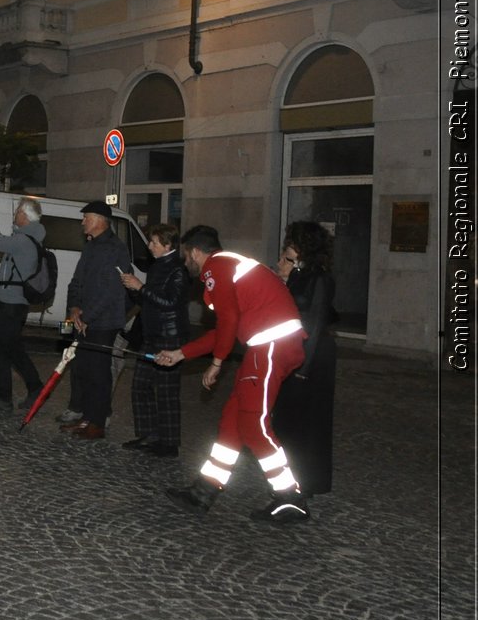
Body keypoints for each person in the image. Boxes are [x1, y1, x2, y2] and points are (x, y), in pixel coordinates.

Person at [156, 225, 310, 523]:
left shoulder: (216, 267)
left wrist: (216, 363)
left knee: (254, 426)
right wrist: (180, 354)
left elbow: (227, 320)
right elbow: (225, 329)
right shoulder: (228, 266)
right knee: (232, 422)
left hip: (270, 346)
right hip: (267, 347)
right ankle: (204, 490)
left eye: (186, 254)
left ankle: (290, 497)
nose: (184, 260)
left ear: (196, 252)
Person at [272, 221, 338, 497]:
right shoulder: (301, 274)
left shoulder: (319, 278)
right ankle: (293, 479)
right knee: (289, 421)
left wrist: (301, 367)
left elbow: (315, 319)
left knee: (305, 422)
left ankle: (302, 483)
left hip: (312, 356)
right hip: (298, 352)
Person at [60, 200, 133, 440]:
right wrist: (73, 309)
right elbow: (77, 280)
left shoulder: (116, 249)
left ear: (100, 220)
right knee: (82, 370)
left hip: (103, 322)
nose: (82, 222)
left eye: (86, 217)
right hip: (82, 319)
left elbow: (112, 290)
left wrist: (88, 316)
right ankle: (86, 418)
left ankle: (97, 423)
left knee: (99, 373)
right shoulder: (90, 246)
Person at [120, 223, 191, 456]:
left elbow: (170, 302)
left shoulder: (178, 270)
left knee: (167, 390)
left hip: (169, 337)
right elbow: (149, 300)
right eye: (150, 241)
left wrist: (140, 287)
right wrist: (133, 289)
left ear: (168, 245)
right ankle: (149, 434)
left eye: (154, 242)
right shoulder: (157, 266)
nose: (149, 246)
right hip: (151, 335)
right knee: (140, 386)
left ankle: (169, 444)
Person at [0, 198, 47, 411]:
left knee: (0, 350)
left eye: (17, 212)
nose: (15, 215)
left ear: (25, 216)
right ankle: (30, 389)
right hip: (12, 304)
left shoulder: (24, 241)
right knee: (10, 349)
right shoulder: (24, 238)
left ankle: (8, 395)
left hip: (12, 305)